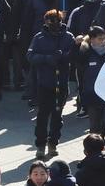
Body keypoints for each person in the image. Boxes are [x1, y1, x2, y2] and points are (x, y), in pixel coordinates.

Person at [28, 10, 76, 159]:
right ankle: (40, 145)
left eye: (57, 20)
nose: (54, 24)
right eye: (50, 21)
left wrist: (63, 56)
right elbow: (30, 56)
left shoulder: (68, 37)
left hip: (61, 83)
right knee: (42, 116)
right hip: (44, 83)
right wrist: (47, 58)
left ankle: (53, 143)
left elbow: (74, 55)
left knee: (57, 115)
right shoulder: (39, 37)